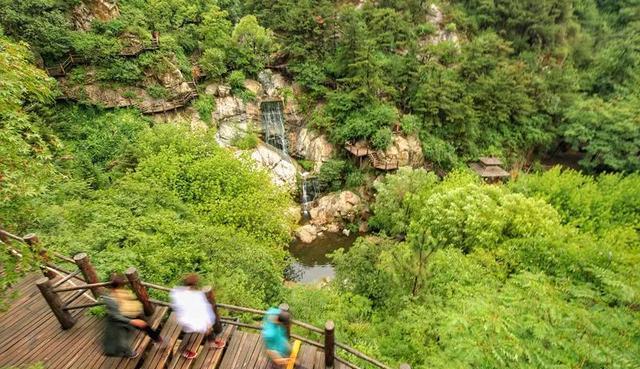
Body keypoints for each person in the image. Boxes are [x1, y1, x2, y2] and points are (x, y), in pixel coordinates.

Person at [103, 274, 164, 358]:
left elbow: (129, 301)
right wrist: (132, 321)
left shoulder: (120, 291)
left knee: (145, 326)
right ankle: (129, 353)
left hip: (129, 316)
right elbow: (115, 316)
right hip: (119, 321)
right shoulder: (110, 299)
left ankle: (158, 339)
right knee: (121, 340)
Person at [170, 273, 225, 359]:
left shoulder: (179, 292)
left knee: (207, 328)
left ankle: (212, 342)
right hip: (187, 318)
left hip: (190, 316)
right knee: (198, 329)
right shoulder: (190, 295)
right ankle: (183, 350)